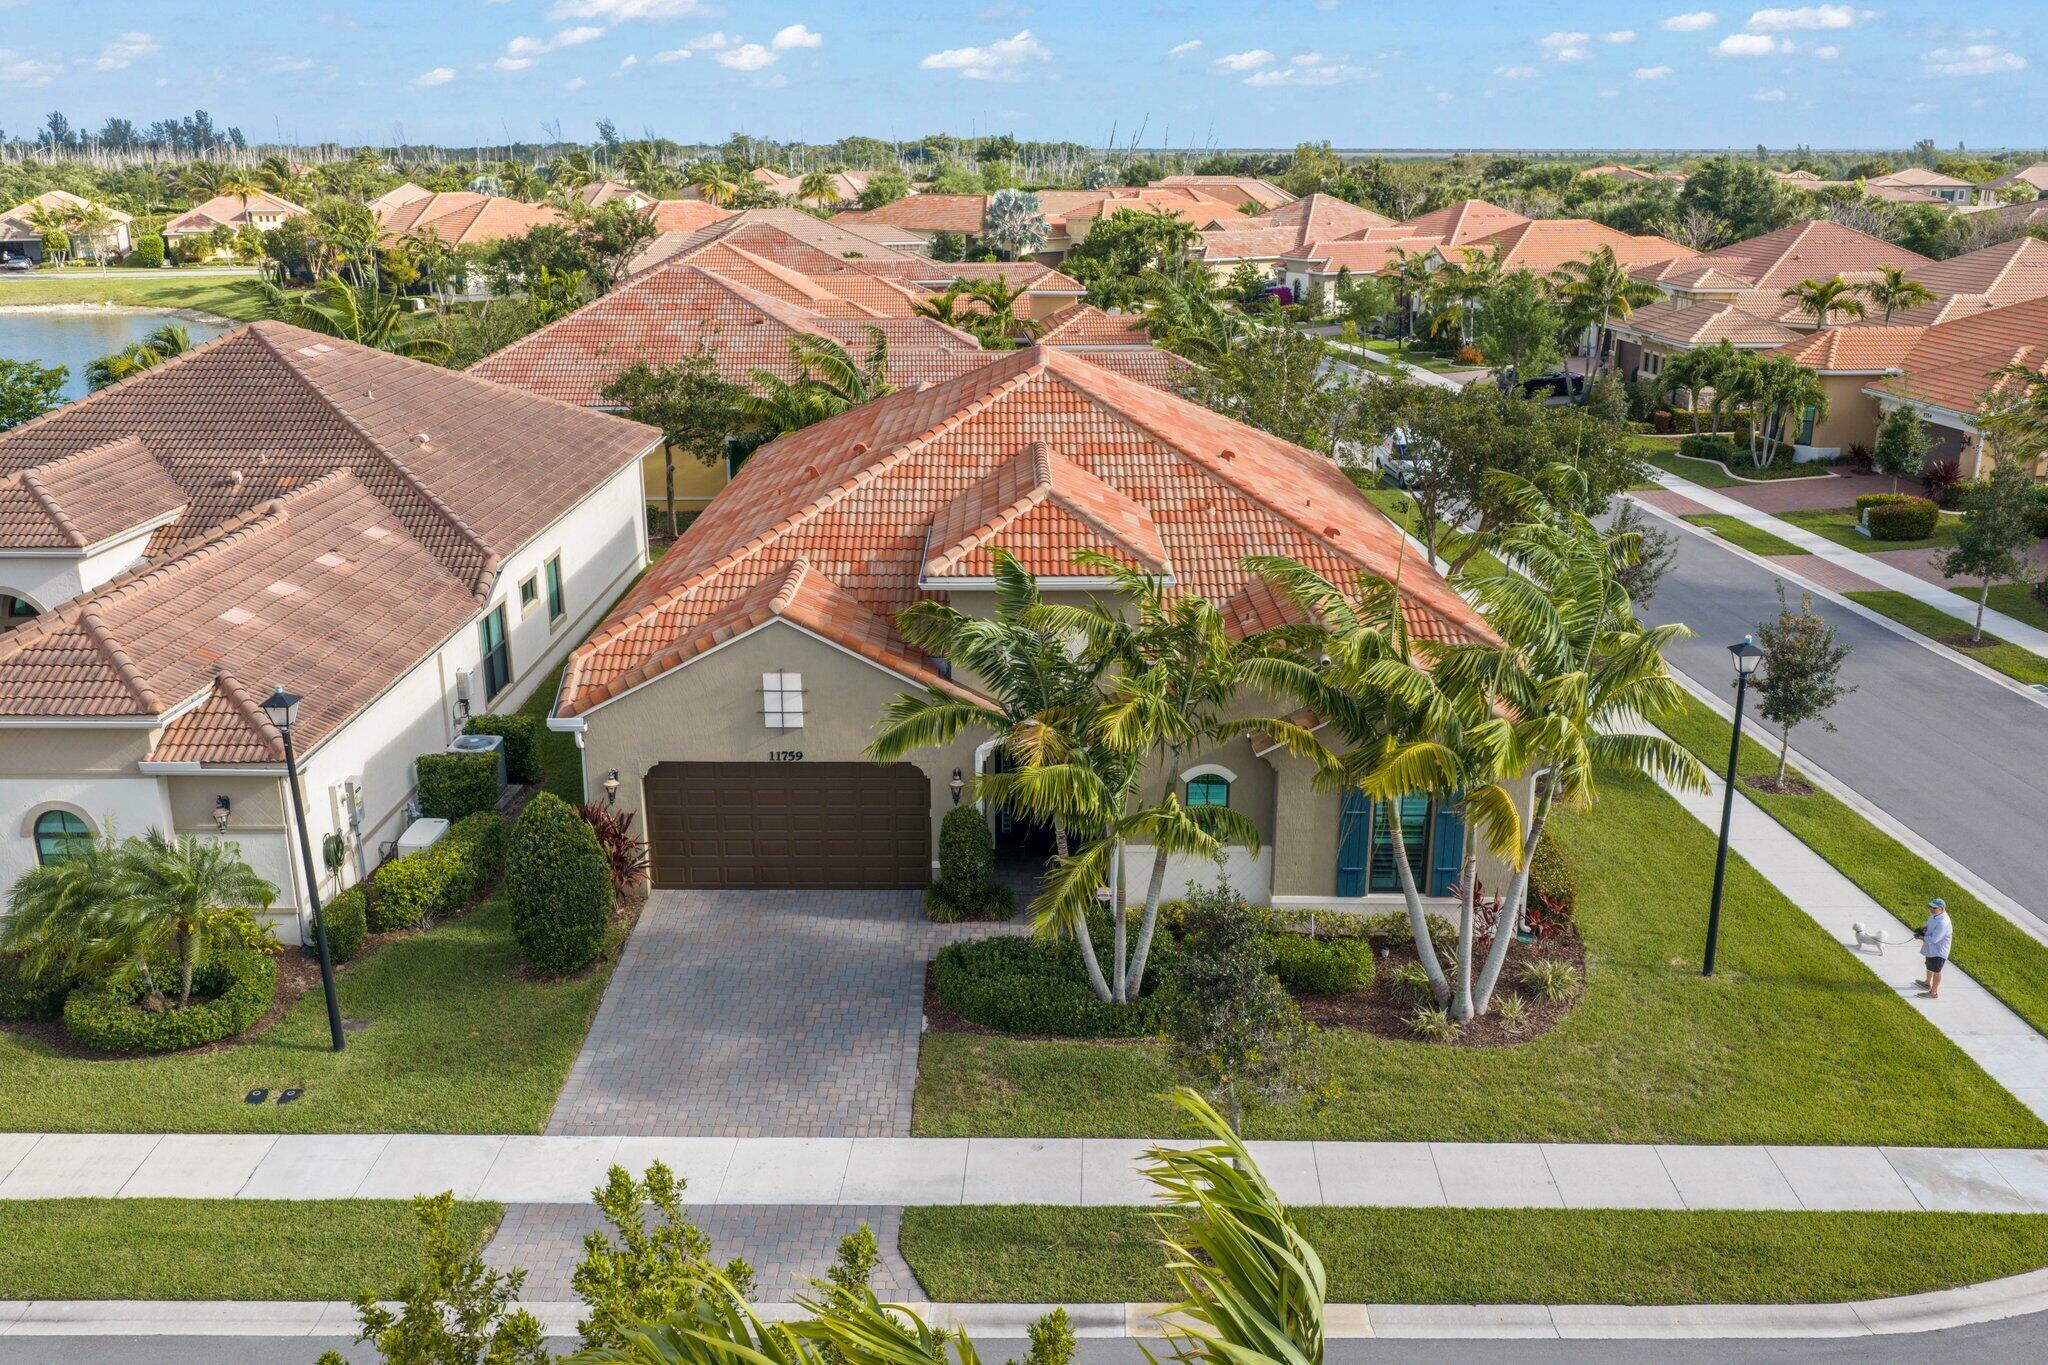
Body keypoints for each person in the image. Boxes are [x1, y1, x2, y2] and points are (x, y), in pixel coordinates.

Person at [1912, 898, 1953, 999]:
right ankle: (1926, 983)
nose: (1931, 909)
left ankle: (1933, 993)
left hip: (1939, 951)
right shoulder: (1935, 915)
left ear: (1942, 908)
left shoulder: (1943, 922)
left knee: (1936, 971)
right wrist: (1923, 930)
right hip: (1932, 949)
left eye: (1934, 908)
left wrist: (1921, 937)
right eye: (1931, 907)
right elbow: (1928, 925)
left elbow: (1935, 939)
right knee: (1929, 965)